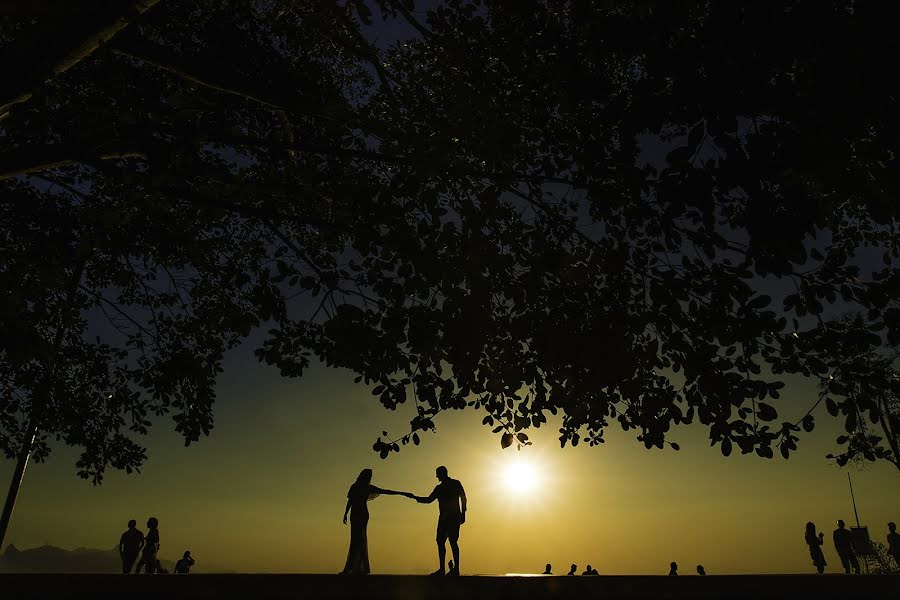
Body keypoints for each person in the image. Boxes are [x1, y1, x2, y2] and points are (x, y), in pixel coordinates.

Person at [341, 468, 414, 575]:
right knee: (357, 539)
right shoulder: (358, 487)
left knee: (358, 539)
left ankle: (354, 568)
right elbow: (350, 501)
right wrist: (345, 514)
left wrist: (402, 493)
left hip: (360, 514)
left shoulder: (361, 487)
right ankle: (355, 568)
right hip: (356, 514)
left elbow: (386, 491)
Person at [415, 466, 467, 576]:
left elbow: (463, 497)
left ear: (442, 473)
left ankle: (453, 569)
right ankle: (445, 569)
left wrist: (463, 513)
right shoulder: (444, 486)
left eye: (437, 474)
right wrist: (417, 498)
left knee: (449, 542)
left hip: (449, 518)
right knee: (443, 542)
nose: (436, 476)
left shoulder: (451, 484)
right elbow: (429, 499)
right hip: (448, 518)